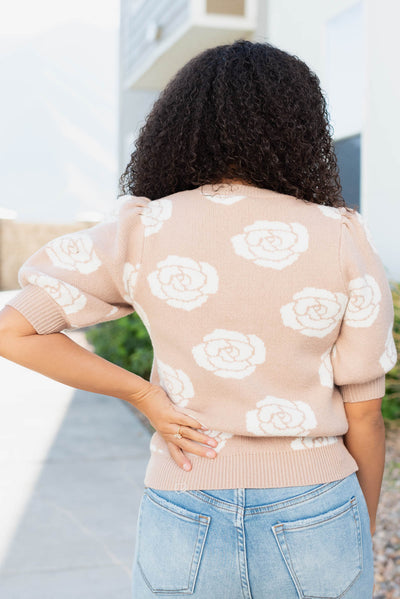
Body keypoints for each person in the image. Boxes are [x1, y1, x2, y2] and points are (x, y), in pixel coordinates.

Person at [0, 39, 396, 598]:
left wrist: (144, 396)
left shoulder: (141, 230)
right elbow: (367, 417)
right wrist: (360, 521)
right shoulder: (340, 236)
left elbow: (13, 332)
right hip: (317, 502)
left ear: (180, 126)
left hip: (183, 498)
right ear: (299, 128)